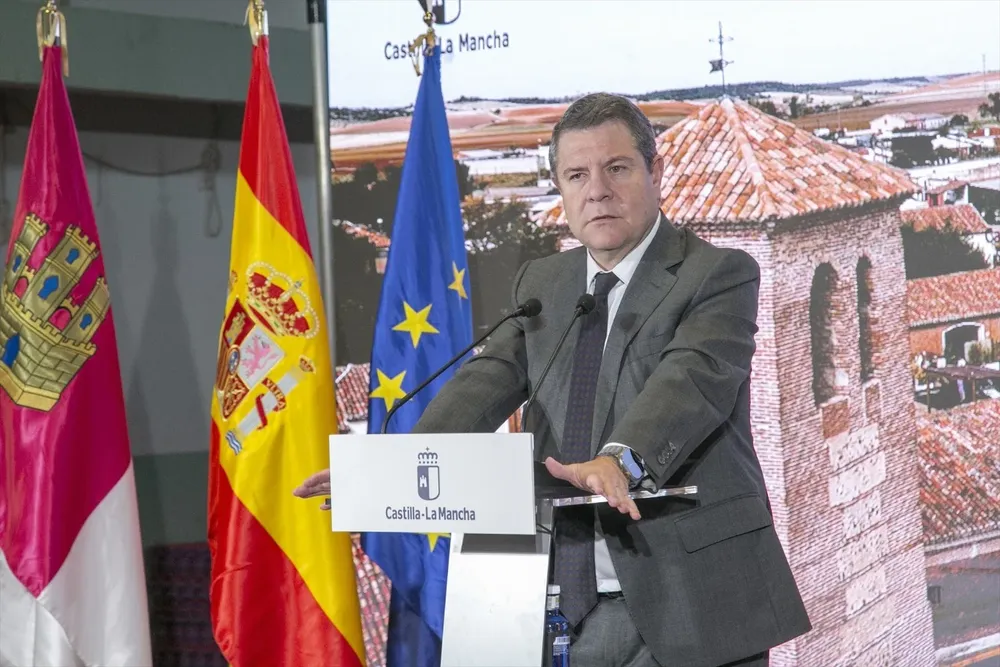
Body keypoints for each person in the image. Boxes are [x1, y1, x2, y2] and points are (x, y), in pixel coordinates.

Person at [295, 93, 811, 667]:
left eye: (616, 168)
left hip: (693, 600)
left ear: (654, 171)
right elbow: (486, 380)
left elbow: (691, 380)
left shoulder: (717, 273)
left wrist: (621, 460)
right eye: (576, 174)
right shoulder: (543, 282)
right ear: (562, 189)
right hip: (560, 606)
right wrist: (394, 473)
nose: (598, 189)